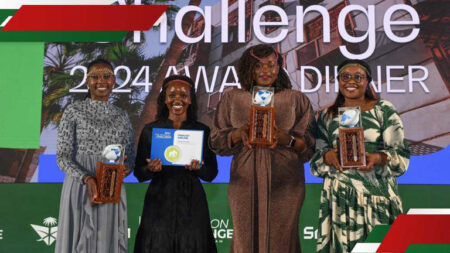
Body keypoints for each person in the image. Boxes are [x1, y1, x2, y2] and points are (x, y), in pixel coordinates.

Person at [210, 44, 316, 253]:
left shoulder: (296, 99)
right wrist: (237, 135)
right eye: (258, 66)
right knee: (244, 242)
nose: (266, 71)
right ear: (249, 68)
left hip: (286, 183)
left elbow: (310, 147)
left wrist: (288, 140)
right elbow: (216, 141)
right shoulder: (233, 98)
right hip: (244, 183)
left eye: (271, 65)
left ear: (279, 67)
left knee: (282, 242)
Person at [310, 59, 410, 253]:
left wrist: (378, 158)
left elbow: (401, 155)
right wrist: (327, 157)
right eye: (345, 76)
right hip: (340, 199)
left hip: (377, 195)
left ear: (368, 81)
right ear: (338, 80)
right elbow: (316, 161)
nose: (351, 81)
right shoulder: (326, 116)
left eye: (358, 77)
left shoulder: (384, 109)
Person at [55, 59, 136, 252]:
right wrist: (87, 178)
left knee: (107, 240)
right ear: (87, 81)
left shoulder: (122, 115)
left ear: (114, 81)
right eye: (95, 76)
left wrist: (125, 169)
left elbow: (131, 155)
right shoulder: (73, 111)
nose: (101, 80)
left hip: (110, 186)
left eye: (107, 76)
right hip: (80, 186)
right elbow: (62, 157)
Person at [133, 75, 218, 253]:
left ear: (190, 99)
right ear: (164, 99)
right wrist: (150, 169)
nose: (177, 99)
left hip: (192, 201)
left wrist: (199, 168)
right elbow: (139, 174)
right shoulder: (150, 130)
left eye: (183, 95)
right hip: (159, 200)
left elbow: (211, 174)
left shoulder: (202, 130)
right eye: (172, 95)